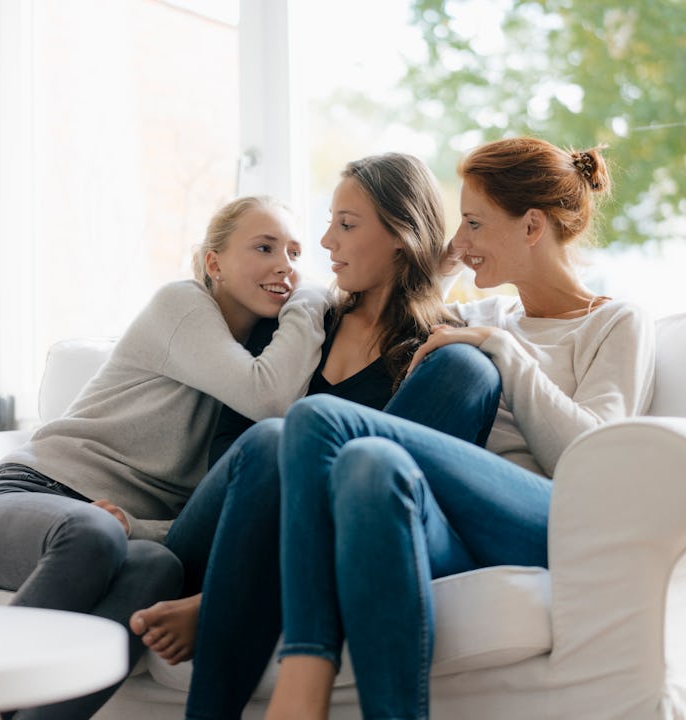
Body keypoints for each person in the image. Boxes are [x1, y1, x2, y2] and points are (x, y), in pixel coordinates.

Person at [266, 137, 656, 720]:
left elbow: (585, 460)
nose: (462, 241)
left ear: (532, 227)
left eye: (474, 223)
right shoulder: (482, 314)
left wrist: (507, 353)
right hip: (454, 531)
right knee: (369, 465)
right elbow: (416, 277)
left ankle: (298, 668)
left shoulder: (613, 323)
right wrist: (454, 256)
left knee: (323, 419)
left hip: (547, 523)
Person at [128, 152, 503, 720]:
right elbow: (233, 457)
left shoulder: (437, 352)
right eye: (330, 221)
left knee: (453, 386)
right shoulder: (295, 327)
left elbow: (401, 496)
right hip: (236, 531)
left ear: (401, 235)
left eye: (346, 225)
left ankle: (224, 605)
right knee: (277, 440)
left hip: (355, 538)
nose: (325, 241)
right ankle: (234, 597)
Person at [0, 195, 329, 720]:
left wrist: (137, 526)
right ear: (214, 263)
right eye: (265, 247)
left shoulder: (270, 351)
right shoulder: (181, 305)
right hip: (26, 494)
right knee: (92, 533)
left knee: (159, 566)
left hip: (116, 526)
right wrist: (311, 298)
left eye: (296, 254)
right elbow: (269, 399)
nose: (285, 266)